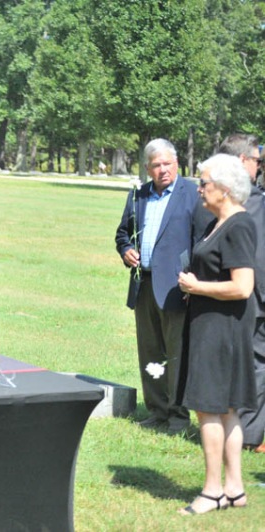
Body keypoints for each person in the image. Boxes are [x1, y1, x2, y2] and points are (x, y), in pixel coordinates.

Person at [175, 154, 258, 515]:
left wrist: (198, 287)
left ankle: (212, 492)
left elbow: (243, 286)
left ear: (224, 189)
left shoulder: (238, 225)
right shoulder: (217, 222)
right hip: (212, 324)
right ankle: (234, 489)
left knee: (209, 408)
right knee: (225, 410)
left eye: (204, 182)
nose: (199, 188)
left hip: (222, 329)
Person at [115, 138, 211, 434]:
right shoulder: (139, 195)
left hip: (177, 289)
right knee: (150, 351)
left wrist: (194, 282)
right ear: (147, 168)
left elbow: (202, 242)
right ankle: (156, 410)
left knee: (176, 353)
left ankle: (178, 417)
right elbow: (122, 233)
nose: (162, 170)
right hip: (143, 286)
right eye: (156, 165)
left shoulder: (192, 194)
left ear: (177, 163)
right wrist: (125, 249)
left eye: (167, 163)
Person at [218, 134, 265, 454]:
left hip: (235, 291)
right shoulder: (246, 199)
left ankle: (244, 429)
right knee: (252, 360)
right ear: (242, 161)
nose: (259, 167)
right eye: (256, 161)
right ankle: (245, 432)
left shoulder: (214, 195)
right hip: (244, 292)